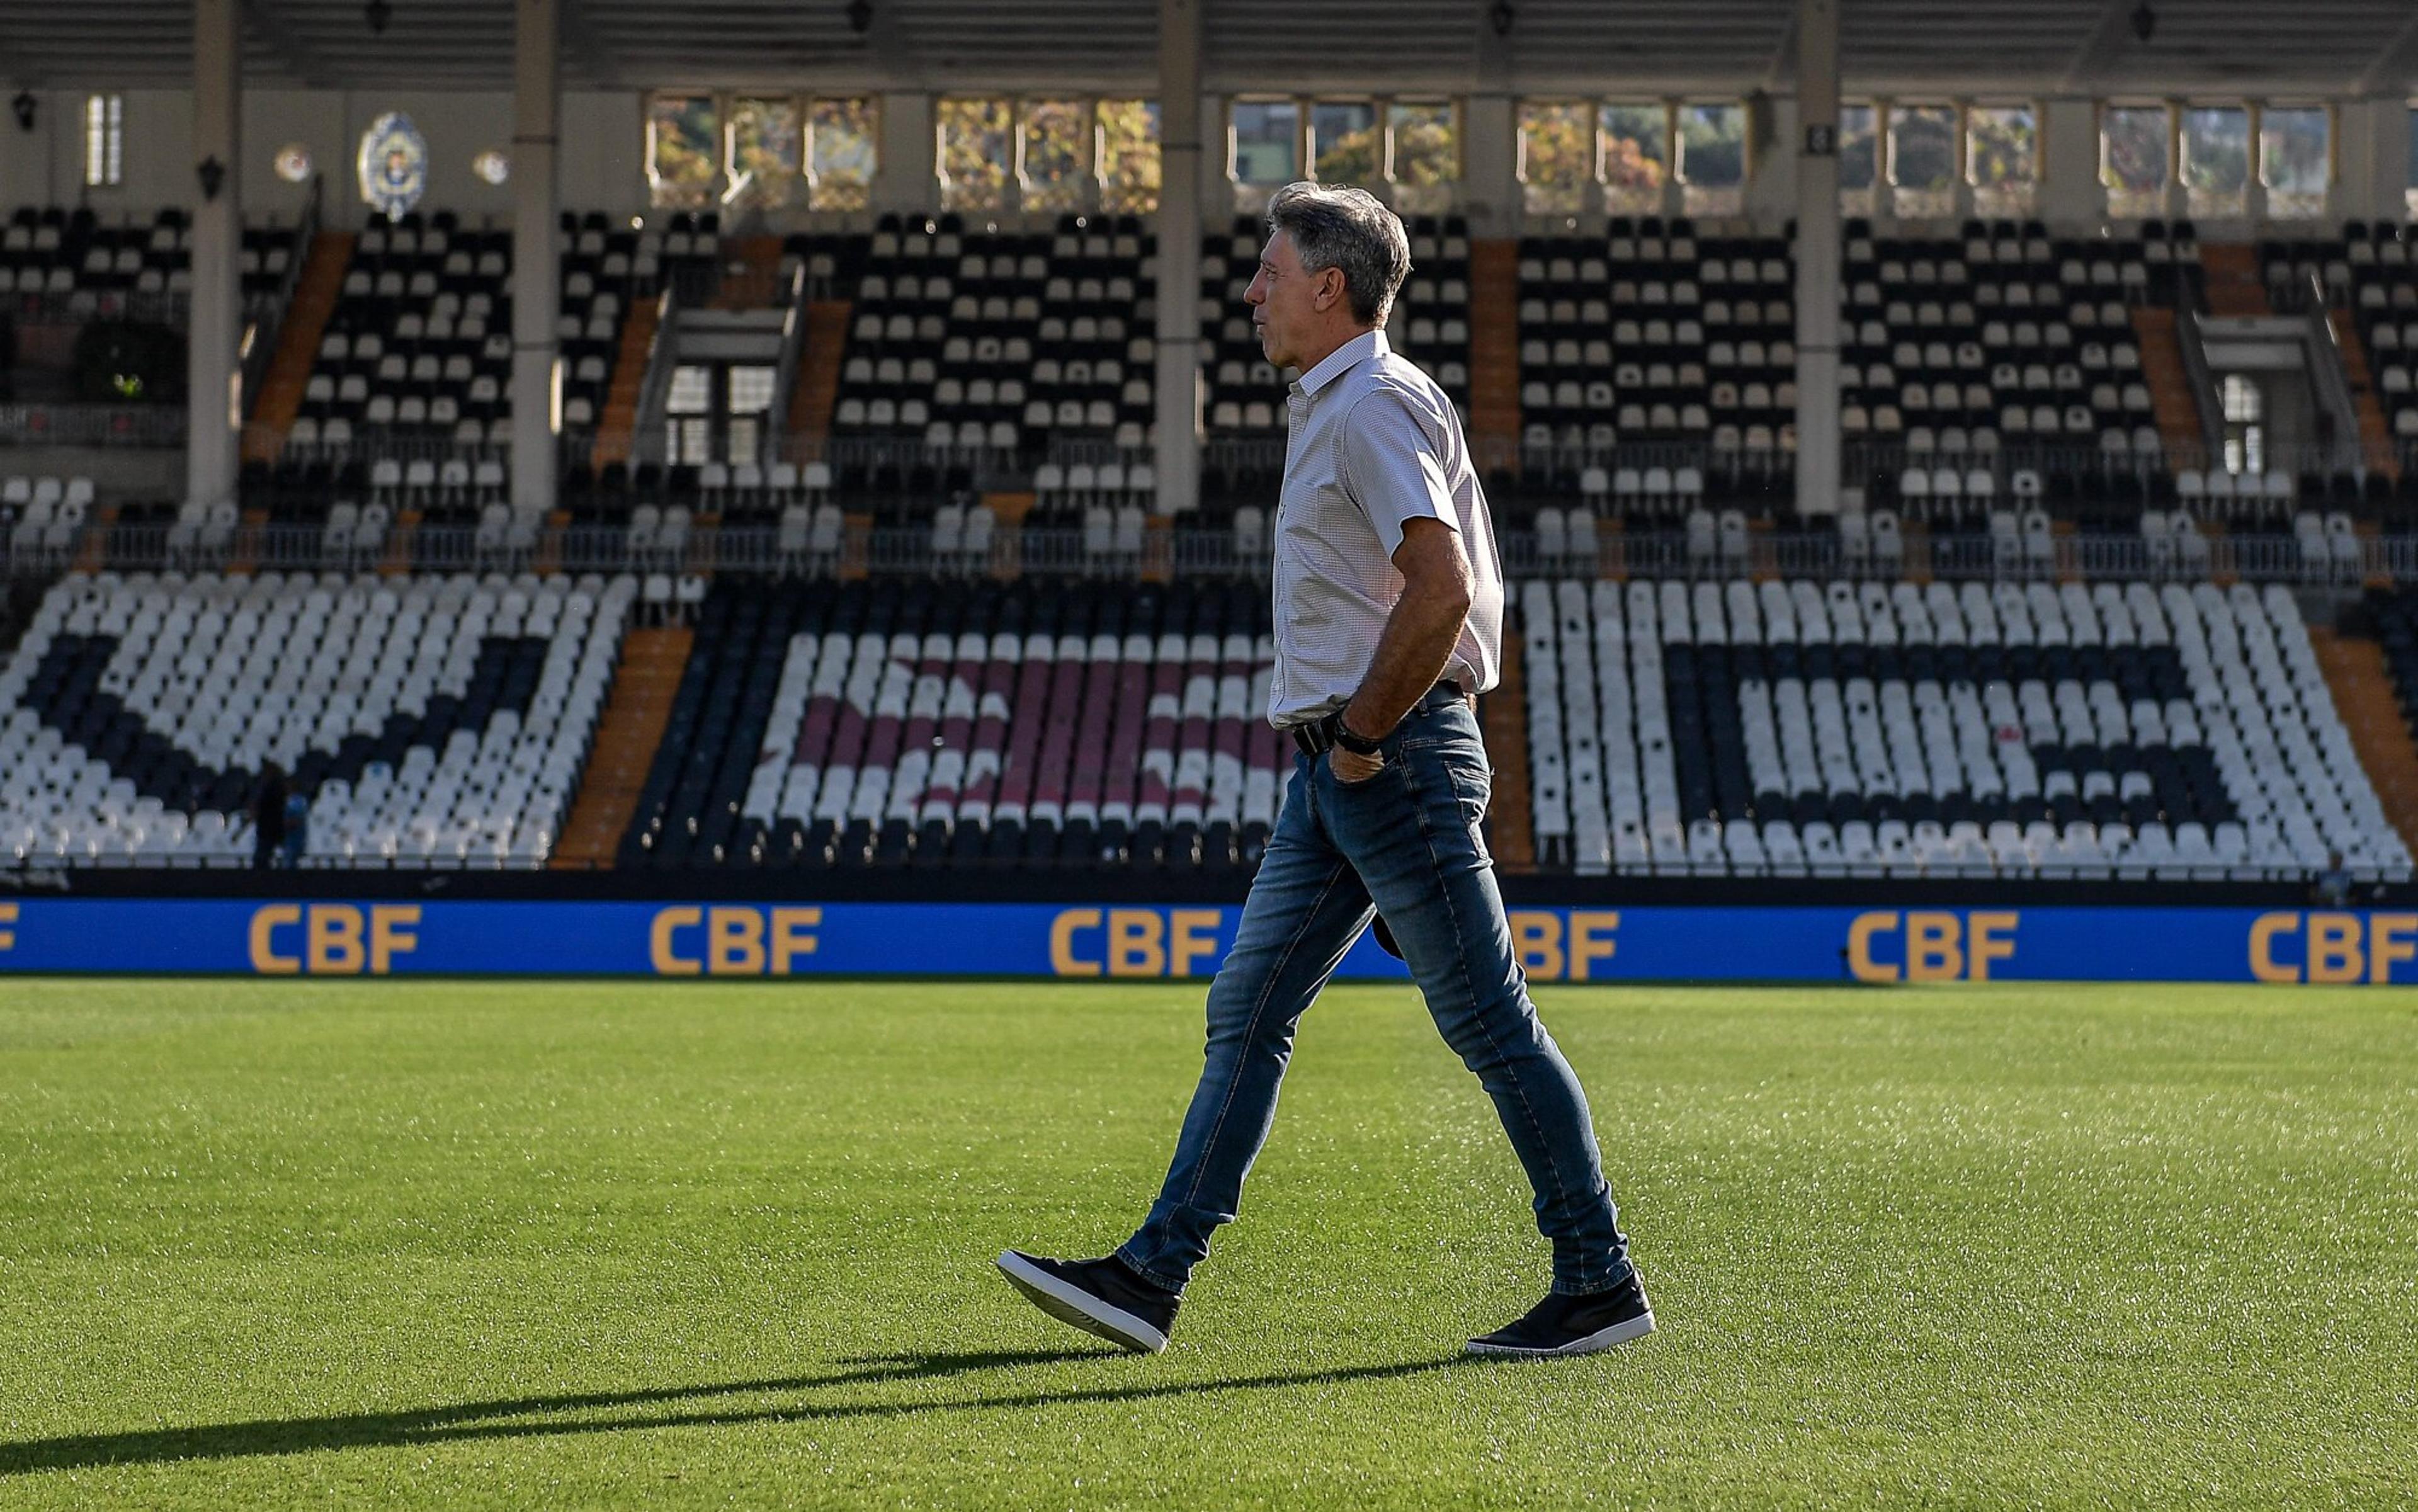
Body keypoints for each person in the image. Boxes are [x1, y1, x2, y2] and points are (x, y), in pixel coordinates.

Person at [999, 183, 1647, 1360]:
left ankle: (1598, 1279)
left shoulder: (1371, 407)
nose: (1252, 292)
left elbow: (1439, 589)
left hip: (1381, 757)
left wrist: (1354, 743)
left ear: (1328, 286)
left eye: (1269, 271)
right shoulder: (1352, 406)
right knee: (1248, 1009)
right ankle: (1151, 1275)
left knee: (1488, 1023)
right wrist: (1340, 751)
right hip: (1348, 765)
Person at [250, 763, 289, 871]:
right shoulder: (276, 786)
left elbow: (267, 807)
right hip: (270, 828)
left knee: (262, 858)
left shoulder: (273, 787)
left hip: (269, 829)